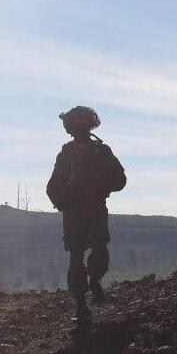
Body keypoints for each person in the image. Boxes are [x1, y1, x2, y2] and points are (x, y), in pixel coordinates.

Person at [46, 106, 126, 322]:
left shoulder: (102, 151)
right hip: (75, 213)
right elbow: (53, 187)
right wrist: (64, 203)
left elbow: (120, 180)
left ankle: (94, 282)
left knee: (98, 251)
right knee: (77, 255)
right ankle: (81, 304)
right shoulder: (67, 154)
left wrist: (101, 188)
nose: (78, 130)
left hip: (94, 210)